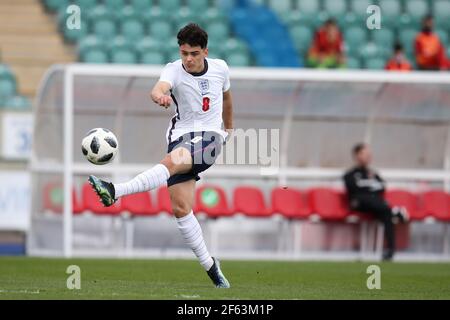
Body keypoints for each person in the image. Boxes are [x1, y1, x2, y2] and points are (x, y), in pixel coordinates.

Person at [88, 23, 232, 288]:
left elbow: (227, 98)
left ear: (205, 52)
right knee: (180, 209)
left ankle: (114, 191)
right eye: (184, 53)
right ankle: (212, 268)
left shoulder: (221, 68)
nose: (188, 59)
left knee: (171, 162)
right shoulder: (173, 69)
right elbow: (158, 88)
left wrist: (229, 130)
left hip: (210, 138)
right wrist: (160, 96)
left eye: (194, 53)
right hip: (180, 137)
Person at [343, 143, 409, 261]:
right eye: (365, 154)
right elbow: (355, 190)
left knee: (386, 213)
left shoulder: (373, 174)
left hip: (376, 206)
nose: (368, 156)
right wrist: (370, 188)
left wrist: (368, 188)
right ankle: (395, 211)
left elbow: (382, 187)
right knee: (369, 199)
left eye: (369, 154)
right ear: (357, 155)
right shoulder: (350, 174)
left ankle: (390, 250)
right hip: (359, 204)